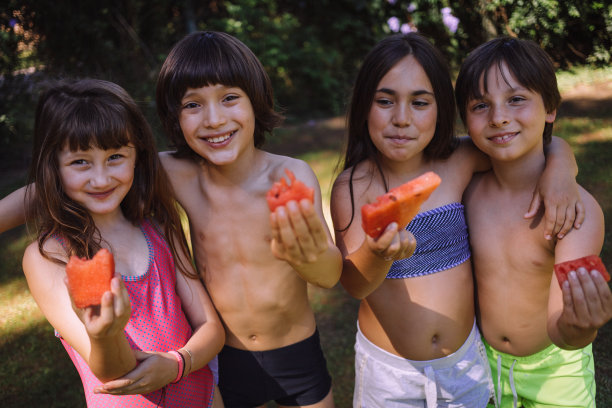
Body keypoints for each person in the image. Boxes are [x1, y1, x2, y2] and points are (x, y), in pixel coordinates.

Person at [330, 33, 583, 408]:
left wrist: (561, 168)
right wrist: (378, 253)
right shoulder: (353, 186)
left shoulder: (459, 160)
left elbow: (540, 142)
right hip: (391, 376)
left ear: (442, 109)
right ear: (364, 105)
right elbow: (355, 284)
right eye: (385, 101)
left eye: (420, 103)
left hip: (465, 363)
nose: (401, 119)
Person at [153, 31, 342, 407]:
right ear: (175, 116)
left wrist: (306, 255)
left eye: (229, 98)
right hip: (226, 354)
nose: (213, 119)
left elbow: (329, 276)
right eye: (193, 105)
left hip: (297, 352)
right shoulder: (176, 174)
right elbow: (76, 183)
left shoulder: (291, 177)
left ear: (255, 102)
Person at [20, 79, 225, 407]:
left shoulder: (158, 226)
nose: (101, 179)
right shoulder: (49, 256)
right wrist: (104, 335)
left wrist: (178, 363)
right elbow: (112, 373)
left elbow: (211, 328)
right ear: (53, 167)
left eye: (115, 156)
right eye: (80, 162)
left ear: (137, 156)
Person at [456, 36, 612, 408]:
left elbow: (565, 331)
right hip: (483, 364)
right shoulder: (466, 188)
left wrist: (580, 326)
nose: (498, 117)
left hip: (556, 373)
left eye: (516, 99)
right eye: (481, 105)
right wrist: (561, 157)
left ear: (550, 108)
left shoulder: (575, 212)